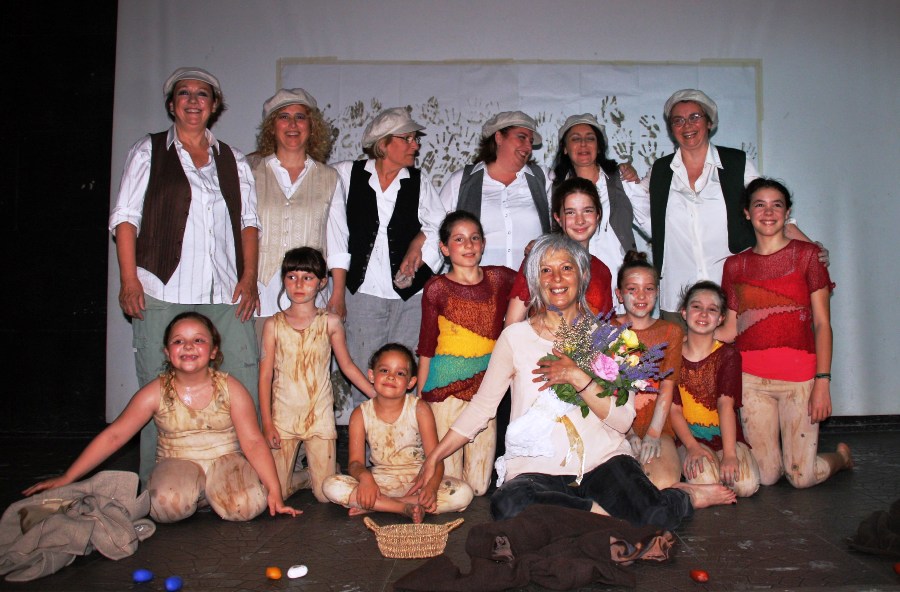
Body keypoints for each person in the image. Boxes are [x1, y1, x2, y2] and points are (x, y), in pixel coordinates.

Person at [409, 234, 736, 530]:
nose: (556, 279)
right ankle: (605, 516)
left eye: (566, 268)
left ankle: (683, 497)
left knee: (656, 517)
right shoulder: (515, 338)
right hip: (537, 470)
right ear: (535, 280)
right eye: (546, 270)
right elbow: (482, 408)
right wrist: (435, 456)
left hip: (603, 461)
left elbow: (623, 420)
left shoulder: (606, 338)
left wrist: (578, 377)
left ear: (581, 276)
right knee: (507, 504)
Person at [109, 67, 261, 488]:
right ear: (172, 104)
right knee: (157, 389)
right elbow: (125, 219)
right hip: (161, 287)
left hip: (225, 289)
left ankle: (245, 481)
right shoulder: (149, 151)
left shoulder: (233, 160)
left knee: (243, 377)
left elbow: (248, 223)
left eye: (202, 94)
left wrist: (249, 278)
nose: (193, 101)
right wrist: (129, 280)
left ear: (215, 106)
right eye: (184, 94)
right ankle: (153, 487)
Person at [24, 313, 300, 523]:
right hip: (177, 462)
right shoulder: (154, 392)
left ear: (214, 351)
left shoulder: (231, 388)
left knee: (247, 506)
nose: (188, 346)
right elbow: (115, 435)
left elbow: (253, 442)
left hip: (225, 461)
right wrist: (68, 476)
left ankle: (219, 491)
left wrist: (274, 490)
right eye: (178, 341)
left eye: (199, 340)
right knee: (165, 506)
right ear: (167, 352)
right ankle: (200, 493)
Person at [638, 89, 822, 321]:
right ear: (671, 128)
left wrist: (809, 248)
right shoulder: (660, 171)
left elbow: (766, 206)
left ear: (709, 122)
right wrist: (623, 172)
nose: (687, 125)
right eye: (678, 120)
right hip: (678, 296)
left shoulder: (737, 163)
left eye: (695, 117)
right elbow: (632, 199)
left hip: (733, 292)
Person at [718, 178, 852, 488]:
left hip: (800, 380)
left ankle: (841, 458)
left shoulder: (808, 257)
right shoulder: (734, 266)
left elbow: (822, 324)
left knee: (801, 478)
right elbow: (731, 329)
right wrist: (684, 338)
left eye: (776, 205)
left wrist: (822, 382)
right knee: (765, 477)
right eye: (759, 205)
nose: (768, 212)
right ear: (747, 213)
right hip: (751, 382)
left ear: (787, 212)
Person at [329, 108, 445, 406]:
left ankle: (404, 435)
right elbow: (333, 229)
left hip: (410, 296)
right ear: (383, 144)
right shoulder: (346, 174)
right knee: (366, 370)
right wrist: (337, 291)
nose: (415, 145)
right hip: (362, 290)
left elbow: (439, 226)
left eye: (415, 139)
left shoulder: (418, 181)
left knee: (405, 371)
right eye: (407, 138)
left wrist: (419, 247)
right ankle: (367, 434)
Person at [258, 247, 375, 503]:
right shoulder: (273, 325)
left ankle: (321, 475)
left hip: (319, 417)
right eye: (292, 277)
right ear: (284, 280)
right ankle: (305, 476)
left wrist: (377, 395)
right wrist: (267, 423)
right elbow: (265, 376)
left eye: (307, 277)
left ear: (321, 282)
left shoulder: (330, 322)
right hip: (283, 418)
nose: (299, 284)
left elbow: (347, 366)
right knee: (276, 491)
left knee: (325, 495)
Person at [416, 211, 516, 496]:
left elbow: (532, 282)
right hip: (444, 392)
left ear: (483, 244)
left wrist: (535, 251)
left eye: (474, 238)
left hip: (486, 393)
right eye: (459, 239)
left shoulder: (500, 278)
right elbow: (427, 345)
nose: (468, 245)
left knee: (479, 487)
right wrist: (421, 398)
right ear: (445, 248)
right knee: (449, 482)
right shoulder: (436, 288)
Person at [322, 344, 474, 523]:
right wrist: (366, 479)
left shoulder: (419, 409)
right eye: (384, 370)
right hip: (379, 483)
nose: (391, 376)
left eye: (400, 373)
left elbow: (436, 459)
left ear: (411, 382)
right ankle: (403, 507)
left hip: (417, 482)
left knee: (463, 493)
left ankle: (379, 505)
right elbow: (355, 463)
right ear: (371, 375)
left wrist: (432, 488)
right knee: (331, 485)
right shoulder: (360, 414)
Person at [247, 88, 343, 319]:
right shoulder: (250, 172)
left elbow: (338, 241)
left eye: (300, 117)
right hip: (260, 293)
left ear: (311, 126)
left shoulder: (330, 177)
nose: (292, 124)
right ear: (272, 126)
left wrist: (338, 293)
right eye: (284, 117)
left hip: (312, 296)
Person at [670, 281, 760, 498]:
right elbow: (674, 410)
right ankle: (689, 484)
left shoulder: (728, 355)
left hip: (725, 436)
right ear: (684, 312)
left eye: (712, 309)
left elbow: (725, 404)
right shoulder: (672, 355)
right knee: (706, 480)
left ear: (720, 319)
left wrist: (729, 454)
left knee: (746, 486)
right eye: (696, 307)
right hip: (689, 438)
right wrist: (691, 447)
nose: (703, 314)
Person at [552, 113, 649, 304]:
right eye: (575, 139)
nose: (583, 144)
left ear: (599, 147)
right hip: (574, 284)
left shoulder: (622, 180)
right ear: (565, 148)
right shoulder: (555, 187)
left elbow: (651, 224)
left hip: (619, 283)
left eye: (590, 138)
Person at [439, 111, 552, 269]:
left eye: (531, 141)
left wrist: (546, 244)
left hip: (531, 281)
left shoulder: (544, 178)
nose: (528, 147)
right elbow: (436, 230)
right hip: (477, 282)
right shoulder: (461, 181)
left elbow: (564, 228)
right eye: (522, 137)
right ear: (498, 137)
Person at [614, 251, 683, 489]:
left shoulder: (671, 331)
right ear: (619, 294)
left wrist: (653, 433)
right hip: (616, 425)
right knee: (624, 485)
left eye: (649, 289)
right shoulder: (607, 330)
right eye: (632, 289)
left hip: (657, 425)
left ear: (657, 292)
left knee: (662, 482)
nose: (641, 296)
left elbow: (667, 386)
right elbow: (607, 388)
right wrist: (628, 432)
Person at [505, 177, 614, 326]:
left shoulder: (602, 271)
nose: (580, 220)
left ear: (598, 215)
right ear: (558, 218)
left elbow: (605, 329)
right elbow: (512, 325)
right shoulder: (539, 260)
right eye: (570, 212)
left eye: (587, 211)